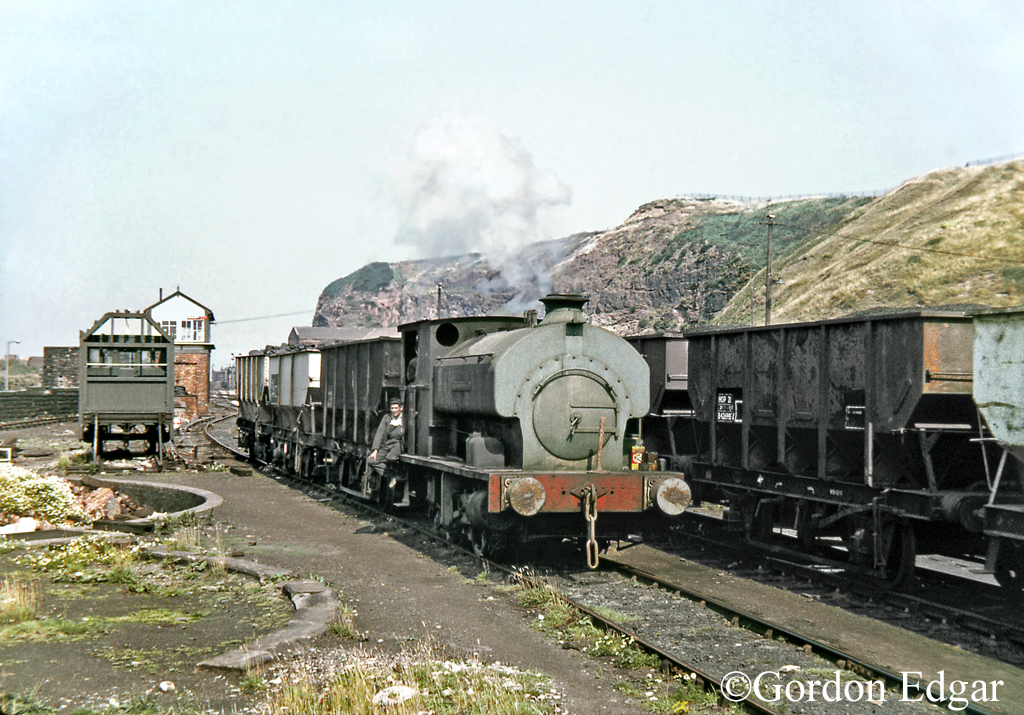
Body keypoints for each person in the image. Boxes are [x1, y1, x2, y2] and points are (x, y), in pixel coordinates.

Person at [367, 397, 404, 484]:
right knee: (371, 460)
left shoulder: (405, 419)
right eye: (392, 408)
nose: (394, 410)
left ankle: (401, 473)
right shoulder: (387, 418)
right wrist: (375, 450)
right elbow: (380, 433)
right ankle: (392, 475)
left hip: (398, 443)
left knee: (390, 457)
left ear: (401, 408)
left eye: (396, 408)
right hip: (388, 444)